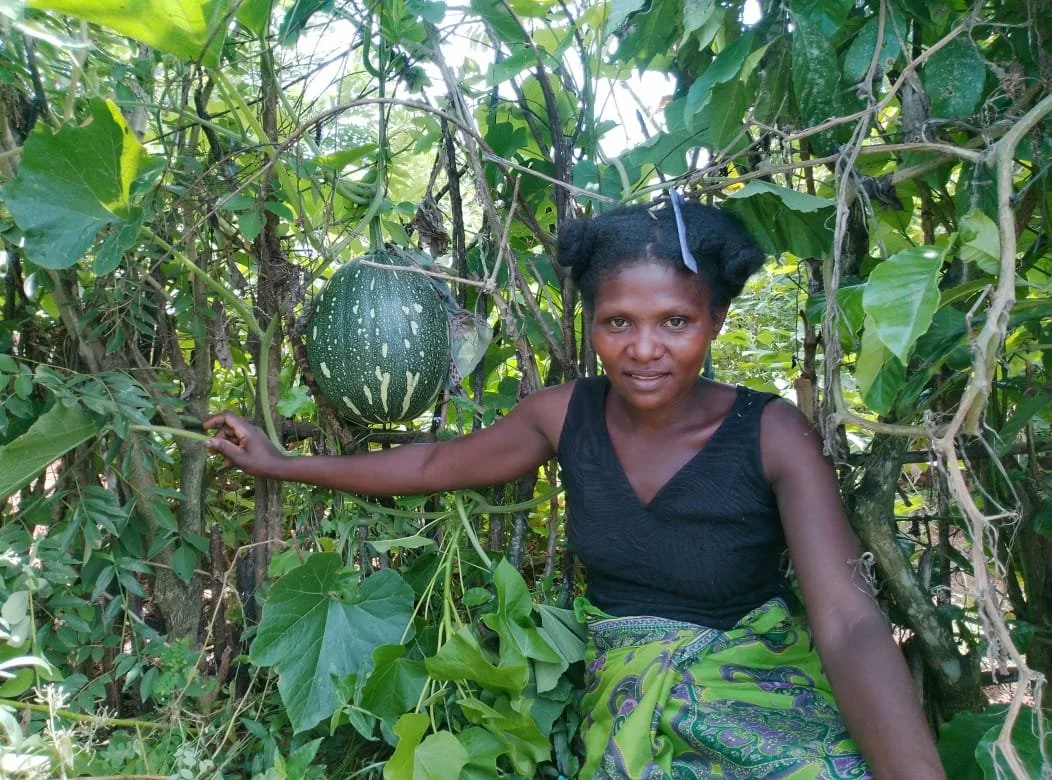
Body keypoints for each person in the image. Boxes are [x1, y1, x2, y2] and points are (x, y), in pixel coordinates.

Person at [205, 197, 945, 779]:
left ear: (715, 321)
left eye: (676, 322)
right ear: (591, 322)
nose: (644, 349)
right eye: (618, 321)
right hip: (630, 694)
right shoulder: (563, 418)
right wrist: (280, 462)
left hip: (761, 684)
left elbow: (847, 622)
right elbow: (432, 466)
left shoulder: (774, 434)